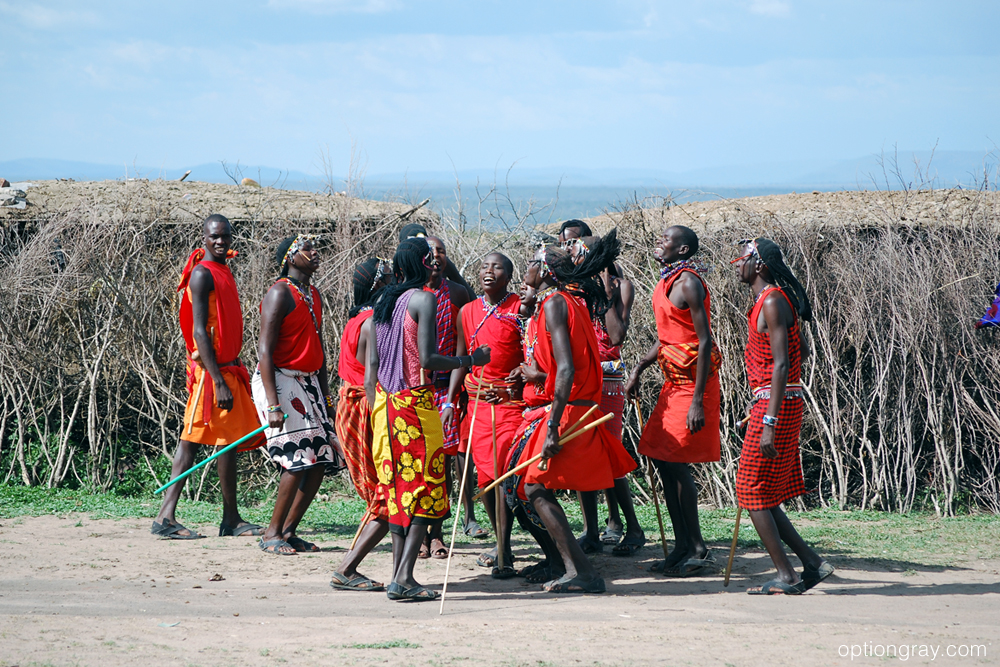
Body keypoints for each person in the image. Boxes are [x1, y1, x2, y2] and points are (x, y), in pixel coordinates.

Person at [509, 236, 636, 594]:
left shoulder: (555, 303)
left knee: (533, 486)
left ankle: (582, 571)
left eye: (532, 261)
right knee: (528, 486)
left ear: (546, 268)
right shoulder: (561, 300)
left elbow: (565, 369)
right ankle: (574, 567)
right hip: (567, 408)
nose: (528, 268)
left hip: (568, 411)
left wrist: (552, 424)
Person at [367, 237, 490, 601]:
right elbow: (427, 360)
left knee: (396, 489)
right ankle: (404, 578)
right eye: (429, 258)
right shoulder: (423, 299)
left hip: (386, 406)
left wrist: (376, 408)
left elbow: (372, 366)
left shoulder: (383, 301)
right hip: (416, 406)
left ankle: (397, 574)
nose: (435, 262)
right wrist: (471, 360)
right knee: (428, 487)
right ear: (420, 263)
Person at [152, 214, 263, 540]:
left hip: (226, 367)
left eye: (225, 236)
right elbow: (200, 331)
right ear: (204, 237)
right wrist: (216, 379)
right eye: (214, 236)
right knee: (191, 439)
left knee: (226, 441)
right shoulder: (202, 274)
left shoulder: (223, 269)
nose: (221, 241)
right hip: (210, 372)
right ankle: (165, 517)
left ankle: (231, 519)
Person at [732, 237, 834, 595]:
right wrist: (765, 396)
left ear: (759, 264)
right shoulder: (772, 299)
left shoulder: (773, 300)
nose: (737, 265)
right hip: (777, 400)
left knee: (750, 490)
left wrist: (770, 417)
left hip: (776, 406)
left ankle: (787, 576)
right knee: (763, 493)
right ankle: (812, 564)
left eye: (741, 259)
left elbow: (782, 363)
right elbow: (800, 347)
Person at [626, 225, 721, 576]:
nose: (658, 242)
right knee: (660, 458)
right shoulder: (666, 281)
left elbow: (705, 341)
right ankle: (682, 545)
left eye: (666, 240)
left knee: (676, 462)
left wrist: (697, 401)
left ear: (682, 250)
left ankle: (696, 547)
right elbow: (668, 337)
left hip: (694, 385)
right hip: (672, 382)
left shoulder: (689, 283)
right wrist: (640, 366)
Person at [252, 235, 341, 555]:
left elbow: (318, 349)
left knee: (321, 458)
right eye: (307, 248)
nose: (315, 253)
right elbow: (264, 349)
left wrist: (328, 400)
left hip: (309, 383)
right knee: (298, 458)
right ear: (289, 257)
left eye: (316, 248)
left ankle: (288, 531)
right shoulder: (279, 292)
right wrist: (273, 403)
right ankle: (271, 533)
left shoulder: (312, 293)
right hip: (281, 380)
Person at [565, 231, 644, 557]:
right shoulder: (577, 285)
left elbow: (615, 335)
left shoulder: (619, 286)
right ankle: (591, 531)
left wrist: (603, 290)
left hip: (608, 380)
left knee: (609, 453)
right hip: (583, 381)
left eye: (580, 251)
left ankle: (633, 528)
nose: (575, 256)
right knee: (585, 453)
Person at [445, 252, 524, 577]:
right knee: (484, 480)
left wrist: (511, 388)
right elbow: (461, 359)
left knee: (505, 478)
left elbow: (532, 355)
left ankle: (504, 548)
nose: (489, 271)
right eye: (484, 266)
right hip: (476, 404)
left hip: (510, 405)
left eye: (497, 267)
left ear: (509, 275)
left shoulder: (520, 308)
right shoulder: (467, 311)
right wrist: (450, 402)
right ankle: (501, 543)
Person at [331, 258, 392, 589]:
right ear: (380, 286)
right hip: (364, 411)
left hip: (350, 407)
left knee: (383, 490)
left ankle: (400, 568)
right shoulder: (371, 322)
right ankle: (347, 569)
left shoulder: (357, 317)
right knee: (385, 494)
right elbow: (373, 377)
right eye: (391, 279)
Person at [420, 235, 473, 558]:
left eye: (441, 251)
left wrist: (452, 399)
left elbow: (460, 350)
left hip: (446, 387)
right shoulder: (409, 294)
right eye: (429, 252)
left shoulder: (457, 293)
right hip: (415, 388)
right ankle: (418, 533)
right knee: (419, 460)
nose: (436, 257)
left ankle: (437, 532)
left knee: (442, 460)